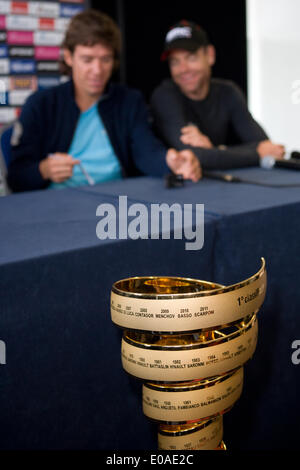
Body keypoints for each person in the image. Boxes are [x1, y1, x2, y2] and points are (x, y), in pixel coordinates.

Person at [7, 10, 201, 192]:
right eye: (88, 59)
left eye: (105, 59)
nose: (98, 70)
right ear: (68, 56)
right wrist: (44, 170)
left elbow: (146, 151)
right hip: (57, 209)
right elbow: (16, 177)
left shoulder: (129, 101)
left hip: (117, 204)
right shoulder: (41, 105)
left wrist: (171, 161)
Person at [150, 20, 285, 170]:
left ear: (210, 55)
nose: (183, 69)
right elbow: (193, 155)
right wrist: (253, 154)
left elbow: (266, 146)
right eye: (175, 62)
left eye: (191, 58)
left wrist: (217, 150)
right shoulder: (165, 96)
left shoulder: (228, 91)